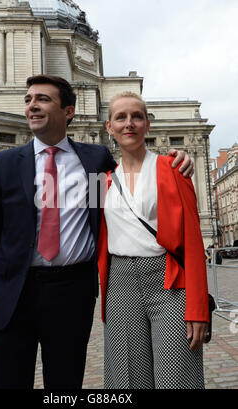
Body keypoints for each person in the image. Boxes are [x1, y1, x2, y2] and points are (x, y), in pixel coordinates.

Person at [0, 75, 194, 389]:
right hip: (11, 294)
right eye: (29, 99)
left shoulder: (95, 160)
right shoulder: (2, 164)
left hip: (71, 292)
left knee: (66, 384)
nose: (32, 105)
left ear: (68, 111)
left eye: (43, 99)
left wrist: (174, 161)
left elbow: (130, 184)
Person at [97, 91, 209, 389]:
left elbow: (193, 241)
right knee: (127, 380)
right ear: (109, 127)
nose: (129, 123)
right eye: (120, 117)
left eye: (137, 116)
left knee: (177, 376)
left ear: (148, 124)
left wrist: (198, 307)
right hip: (119, 284)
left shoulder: (173, 169)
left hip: (169, 282)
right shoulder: (103, 180)